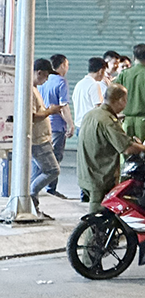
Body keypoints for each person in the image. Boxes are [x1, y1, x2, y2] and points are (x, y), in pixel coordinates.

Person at [77, 83, 145, 213]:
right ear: (121, 100)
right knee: (98, 218)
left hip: (86, 172)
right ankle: (92, 233)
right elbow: (127, 149)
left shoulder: (92, 114)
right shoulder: (108, 121)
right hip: (100, 176)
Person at [28, 59, 65, 211]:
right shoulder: (29, 90)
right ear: (39, 73)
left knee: (37, 173)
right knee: (52, 170)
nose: (47, 79)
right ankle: (29, 195)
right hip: (37, 139)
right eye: (46, 76)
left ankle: (32, 206)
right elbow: (32, 116)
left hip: (42, 137)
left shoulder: (35, 88)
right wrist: (51, 110)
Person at [38, 54, 73, 198]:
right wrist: (70, 124)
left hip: (44, 124)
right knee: (55, 158)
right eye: (67, 64)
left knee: (43, 157)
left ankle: (40, 186)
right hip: (57, 126)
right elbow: (63, 106)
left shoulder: (43, 81)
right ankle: (50, 189)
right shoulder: (61, 81)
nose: (68, 67)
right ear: (62, 65)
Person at [113, 44, 145, 140]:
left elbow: (113, 96)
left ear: (133, 57)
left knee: (127, 152)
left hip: (126, 122)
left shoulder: (124, 74)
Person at [72, 57, 105, 128]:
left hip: (79, 125)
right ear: (101, 71)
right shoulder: (94, 85)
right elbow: (98, 107)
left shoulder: (79, 84)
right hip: (89, 125)